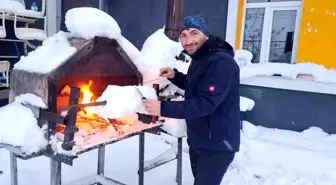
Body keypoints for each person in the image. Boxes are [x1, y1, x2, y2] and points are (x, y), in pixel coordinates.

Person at [142, 15, 240, 185]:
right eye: (184, 35)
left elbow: (205, 103)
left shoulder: (222, 62)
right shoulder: (202, 58)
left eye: (194, 33)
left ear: (205, 35)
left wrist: (162, 108)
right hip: (200, 140)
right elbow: (198, 86)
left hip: (217, 146)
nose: (188, 40)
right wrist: (175, 76)